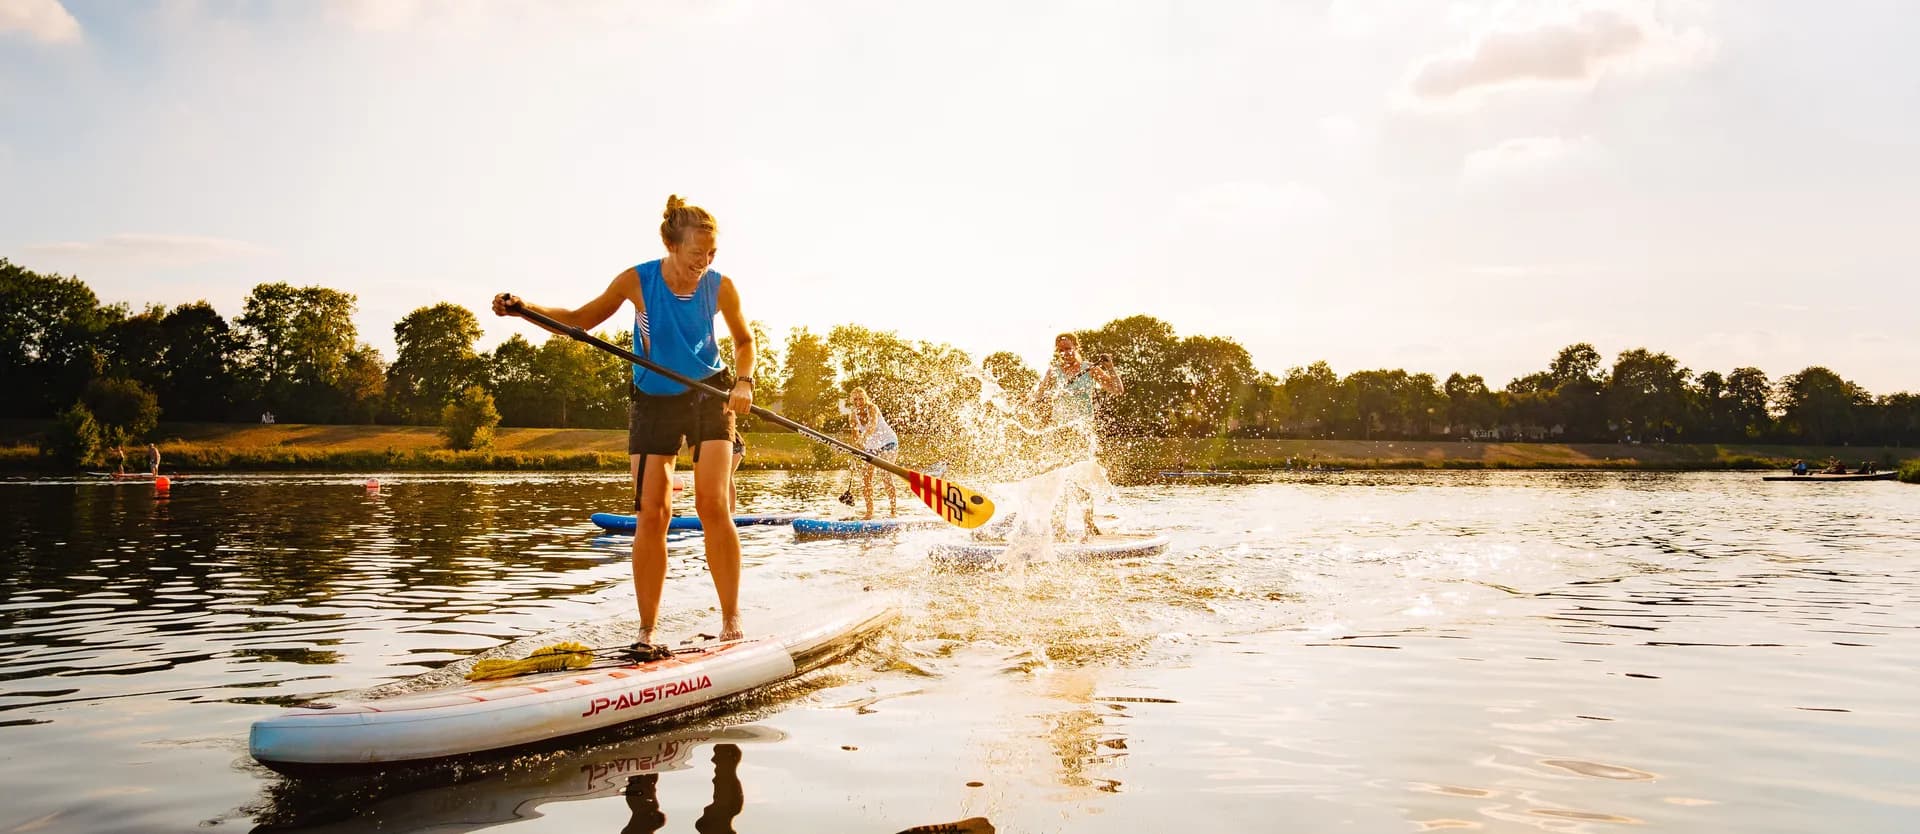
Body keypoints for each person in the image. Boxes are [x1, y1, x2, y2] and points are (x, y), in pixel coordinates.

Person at [494, 195, 755, 648]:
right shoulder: (638, 280)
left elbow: (744, 340)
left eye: (711, 254)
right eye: (697, 253)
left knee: (712, 503)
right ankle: (647, 629)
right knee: (651, 514)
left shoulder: (720, 286)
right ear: (671, 245)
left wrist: (745, 381)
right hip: (653, 399)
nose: (705, 262)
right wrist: (525, 309)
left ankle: (731, 620)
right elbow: (579, 321)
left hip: (709, 394)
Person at [1032, 333, 1123, 535]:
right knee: (1058, 479)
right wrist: (1025, 402)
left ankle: (1088, 523)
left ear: (1076, 347)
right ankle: (1058, 526)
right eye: (1061, 349)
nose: (1065, 352)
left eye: (1068, 348)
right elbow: (1037, 396)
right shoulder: (1053, 372)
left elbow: (1117, 390)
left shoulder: (1090, 369)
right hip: (1059, 433)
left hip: (1081, 431)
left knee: (1083, 477)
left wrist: (1110, 367)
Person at [840, 387, 898, 519]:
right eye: (855, 399)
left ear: (865, 398)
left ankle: (894, 512)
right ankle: (869, 513)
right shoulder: (853, 416)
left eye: (861, 398)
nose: (859, 401)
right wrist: (856, 451)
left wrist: (863, 438)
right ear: (852, 401)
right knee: (866, 477)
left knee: (885, 474)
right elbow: (855, 437)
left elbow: (872, 426)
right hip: (871, 447)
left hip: (888, 443)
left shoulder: (872, 408)